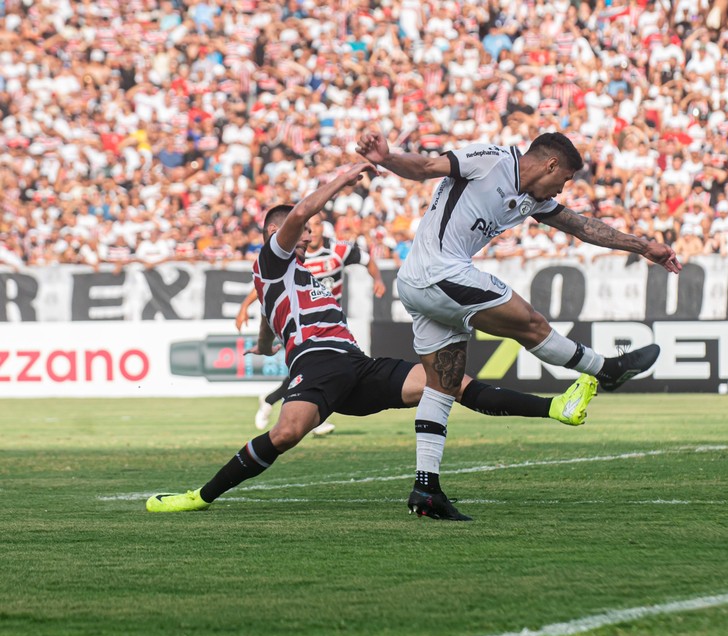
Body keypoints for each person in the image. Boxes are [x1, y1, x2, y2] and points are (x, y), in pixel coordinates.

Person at [147, 162, 599, 517]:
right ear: (276, 235)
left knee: (447, 382)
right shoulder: (272, 259)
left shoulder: (291, 276)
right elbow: (301, 212)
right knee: (285, 434)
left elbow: (270, 313)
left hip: (354, 364)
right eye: (302, 231)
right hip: (319, 362)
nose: (309, 234)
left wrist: (266, 344)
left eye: (307, 232)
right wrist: (344, 178)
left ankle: (556, 407)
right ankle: (200, 496)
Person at [356, 131, 681, 521]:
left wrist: (644, 247)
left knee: (442, 385)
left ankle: (426, 490)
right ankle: (605, 370)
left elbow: (581, 226)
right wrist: (386, 157)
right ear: (551, 165)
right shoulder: (490, 160)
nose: (562, 189)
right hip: (438, 273)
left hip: (420, 285)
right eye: (564, 180)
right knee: (529, 322)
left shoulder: (533, 199)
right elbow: (426, 167)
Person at [236, 213, 387, 436]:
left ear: (322, 228)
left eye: (315, 226)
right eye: (307, 227)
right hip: (302, 323)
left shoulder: (339, 250)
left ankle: (273, 401)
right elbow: (266, 286)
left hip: (330, 323)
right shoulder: (294, 258)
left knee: (316, 370)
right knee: (316, 368)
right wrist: (244, 307)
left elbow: (368, 261)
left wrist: (378, 280)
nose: (312, 231)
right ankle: (314, 415)